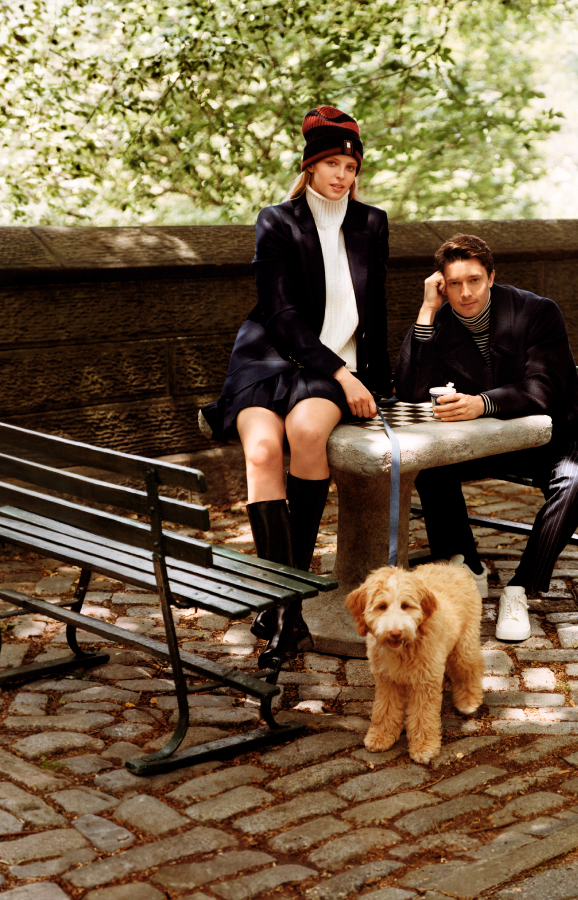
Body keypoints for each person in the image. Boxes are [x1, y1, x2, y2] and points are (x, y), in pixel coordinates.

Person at [201, 106, 392, 668]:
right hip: (270, 358)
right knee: (262, 450)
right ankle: (287, 609)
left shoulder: (372, 223)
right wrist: (340, 374)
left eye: (351, 166)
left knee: (307, 433)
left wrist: (377, 383)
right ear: (310, 167)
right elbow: (281, 313)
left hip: (336, 367)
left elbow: (376, 310)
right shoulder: (277, 221)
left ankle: (281, 605)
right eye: (332, 164)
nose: (342, 175)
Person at [394, 234, 578, 641]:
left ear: (492, 277)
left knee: (574, 482)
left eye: (474, 280)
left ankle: (520, 589)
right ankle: (466, 565)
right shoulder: (440, 320)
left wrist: (481, 403)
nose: (465, 293)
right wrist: (426, 310)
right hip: (497, 440)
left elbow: (544, 388)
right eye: (454, 284)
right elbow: (408, 390)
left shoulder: (537, 311)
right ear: (441, 285)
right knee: (428, 462)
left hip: (562, 434)